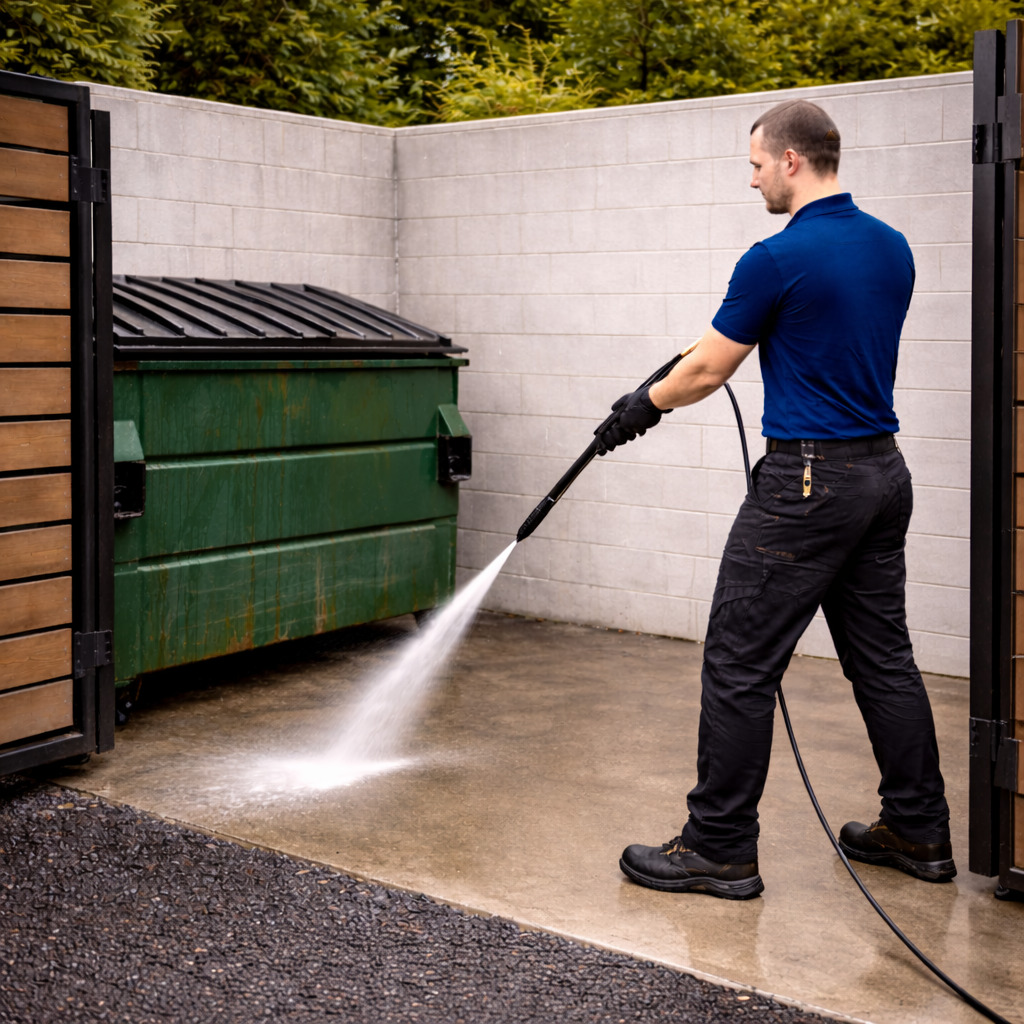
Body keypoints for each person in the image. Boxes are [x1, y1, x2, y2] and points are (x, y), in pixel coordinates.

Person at [597, 99, 954, 900]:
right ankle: (920, 829)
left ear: (792, 160)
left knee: (738, 662)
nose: (751, 176)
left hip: (805, 485)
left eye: (756, 163)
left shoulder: (775, 256)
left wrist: (640, 407)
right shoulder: (891, 248)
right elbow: (805, 330)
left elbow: (704, 372)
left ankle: (718, 846)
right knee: (884, 660)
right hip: (881, 476)